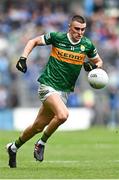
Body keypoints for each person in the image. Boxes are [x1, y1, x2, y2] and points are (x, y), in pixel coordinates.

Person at [6, 15, 103, 168]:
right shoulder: (57, 37)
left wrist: (93, 66)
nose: (80, 32)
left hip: (63, 92)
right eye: (77, 29)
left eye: (83, 29)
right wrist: (23, 58)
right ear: (69, 27)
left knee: (37, 126)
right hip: (47, 85)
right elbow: (33, 41)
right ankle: (41, 143)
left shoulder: (87, 45)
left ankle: (13, 147)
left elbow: (98, 61)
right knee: (63, 115)